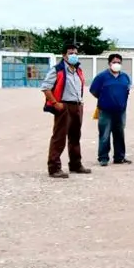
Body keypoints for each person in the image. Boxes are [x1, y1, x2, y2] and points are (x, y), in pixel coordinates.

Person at [40, 43, 91, 178]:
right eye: (70, 53)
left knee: (75, 137)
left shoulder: (78, 70)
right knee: (59, 137)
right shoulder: (57, 70)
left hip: (77, 105)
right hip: (64, 106)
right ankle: (54, 167)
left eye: (75, 52)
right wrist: (55, 103)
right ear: (64, 55)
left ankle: (75, 164)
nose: (73, 55)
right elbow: (45, 87)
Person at [89, 53, 132, 167]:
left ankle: (119, 157)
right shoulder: (101, 77)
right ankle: (103, 158)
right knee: (104, 135)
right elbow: (94, 91)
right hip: (105, 111)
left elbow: (127, 91)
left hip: (120, 111)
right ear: (109, 64)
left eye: (118, 62)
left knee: (119, 134)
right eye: (114, 62)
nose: (116, 64)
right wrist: (104, 99)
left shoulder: (125, 77)